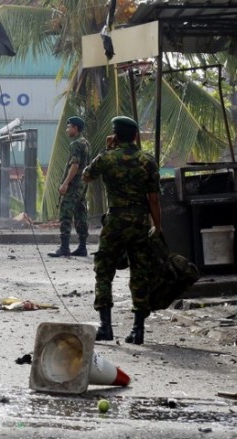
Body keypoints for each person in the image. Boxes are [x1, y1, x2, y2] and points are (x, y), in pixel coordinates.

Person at [82, 116, 162, 345]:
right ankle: (138, 330)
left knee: (104, 271)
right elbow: (154, 199)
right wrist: (158, 226)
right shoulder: (147, 161)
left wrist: (107, 149)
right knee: (140, 272)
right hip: (139, 223)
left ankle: (106, 327)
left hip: (115, 221)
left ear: (115, 136)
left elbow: (86, 176)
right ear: (135, 136)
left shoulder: (107, 158)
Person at [49, 116, 90, 257]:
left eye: (69, 127)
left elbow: (75, 165)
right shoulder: (85, 143)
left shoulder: (75, 144)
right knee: (81, 213)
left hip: (73, 185)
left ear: (75, 128)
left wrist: (65, 183)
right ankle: (82, 246)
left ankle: (64, 247)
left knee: (66, 214)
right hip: (82, 186)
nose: (67, 130)